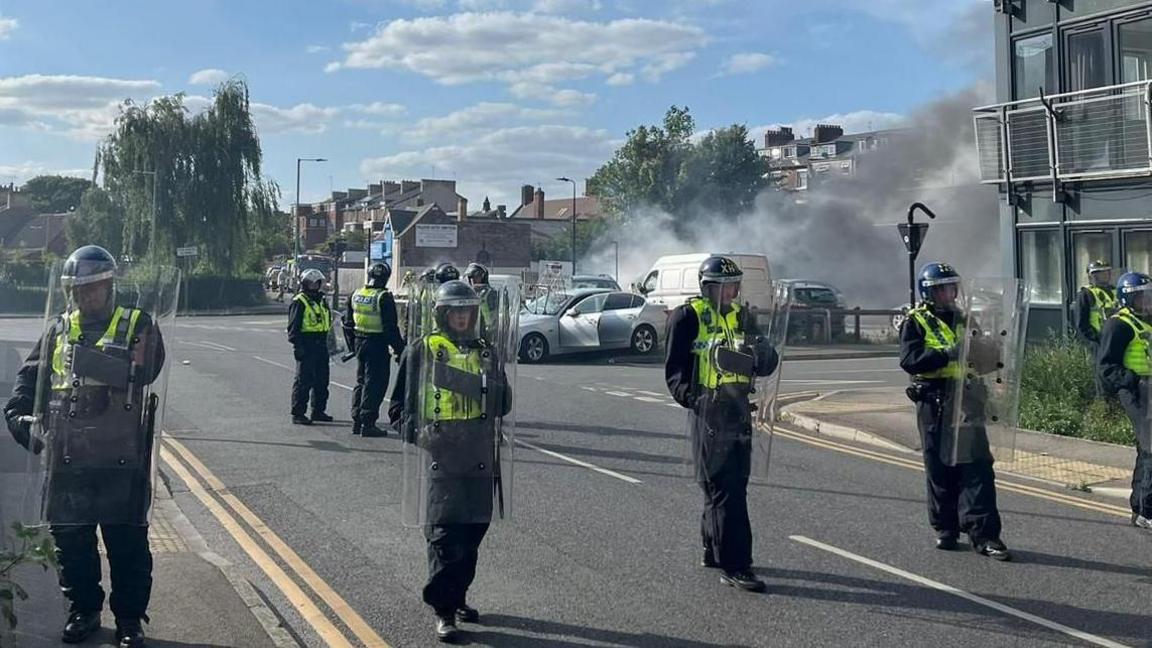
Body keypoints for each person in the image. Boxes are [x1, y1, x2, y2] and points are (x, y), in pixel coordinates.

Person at [3, 245, 167, 647]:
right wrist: (22, 421)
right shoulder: (59, 329)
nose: (84, 296)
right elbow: (28, 384)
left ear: (109, 285)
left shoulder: (137, 324)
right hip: (68, 457)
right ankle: (84, 610)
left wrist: (93, 362)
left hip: (121, 458)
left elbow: (146, 370)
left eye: (92, 288)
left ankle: (129, 619)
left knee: (127, 545)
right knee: (72, 544)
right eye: (77, 290)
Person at [388, 280, 512, 642]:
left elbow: (504, 403)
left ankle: (458, 597)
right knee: (445, 535)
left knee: (473, 532)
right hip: (442, 454)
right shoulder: (423, 350)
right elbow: (399, 409)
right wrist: (420, 435)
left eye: (466, 310)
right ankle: (443, 609)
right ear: (442, 314)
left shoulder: (486, 352)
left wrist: (484, 389)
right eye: (454, 311)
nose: (461, 316)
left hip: (478, 452)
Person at [664, 255, 779, 593]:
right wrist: (694, 398)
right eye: (725, 285)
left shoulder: (742, 317)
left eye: (735, 285)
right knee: (724, 490)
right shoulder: (688, 316)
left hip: (739, 410)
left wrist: (762, 353)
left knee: (728, 487)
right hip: (709, 414)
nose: (732, 291)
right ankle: (737, 565)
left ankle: (714, 549)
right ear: (708, 286)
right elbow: (675, 373)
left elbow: (767, 363)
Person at [899, 262, 1010, 560]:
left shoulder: (965, 318)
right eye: (943, 289)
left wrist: (992, 349)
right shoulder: (916, 321)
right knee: (939, 466)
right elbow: (910, 359)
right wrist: (947, 353)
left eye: (952, 287)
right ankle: (945, 527)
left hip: (968, 398)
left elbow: (982, 361)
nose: (950, 293)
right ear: (930, 292)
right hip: (934, 398)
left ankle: (985, 535)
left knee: (977, 467)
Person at [1096, 271, 1152, 531]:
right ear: (1127, 299)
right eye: (1141, 297)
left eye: (1148, 296)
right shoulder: (1118, 325)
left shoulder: (1149, 321)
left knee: (1146, 448)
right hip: (1137, 391)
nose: (1147, 301)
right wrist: (1132, 381)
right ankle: (1147, 511)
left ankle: (1140, 507)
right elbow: (1106, 366)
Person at [343, 262, 405, 437]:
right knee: (375, 384)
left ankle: (357, 421)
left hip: (359, 343)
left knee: (361, 382)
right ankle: (368, 423)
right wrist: (400, 350)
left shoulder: (356, 294)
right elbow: (390, 329)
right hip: (377, 345)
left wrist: (352, 345)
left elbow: (347, 324)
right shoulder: (383, 297)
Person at [288, 268, 333, 425]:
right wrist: (297, 347)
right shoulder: (299, 301)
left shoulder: (321, 300)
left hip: (321, 344)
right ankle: (298, 413)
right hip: (306, 345)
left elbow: (327, 323)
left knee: (322, 380)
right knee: (303, 381)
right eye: (311, 283)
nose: (314, 286)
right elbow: (293, 328)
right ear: (305, 284)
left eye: (317, 283)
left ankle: (318, 410)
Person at [1074, 259, 1117, 353]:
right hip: (1098, 342)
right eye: (1101, 274)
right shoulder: (1086, 294)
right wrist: (1094, 341)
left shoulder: (1116, 291)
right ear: (1092, 276)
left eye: (1107, 272)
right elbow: (1081, 324)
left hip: (1116, 339)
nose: (1106, 276)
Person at [464, 263, 500, 337]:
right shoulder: (469, 293)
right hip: (473, 329)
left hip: (489, 331)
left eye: (476, 277)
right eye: (471, 277)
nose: (473, 280)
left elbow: (495, 314)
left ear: (483, 277)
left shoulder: (490, 293)